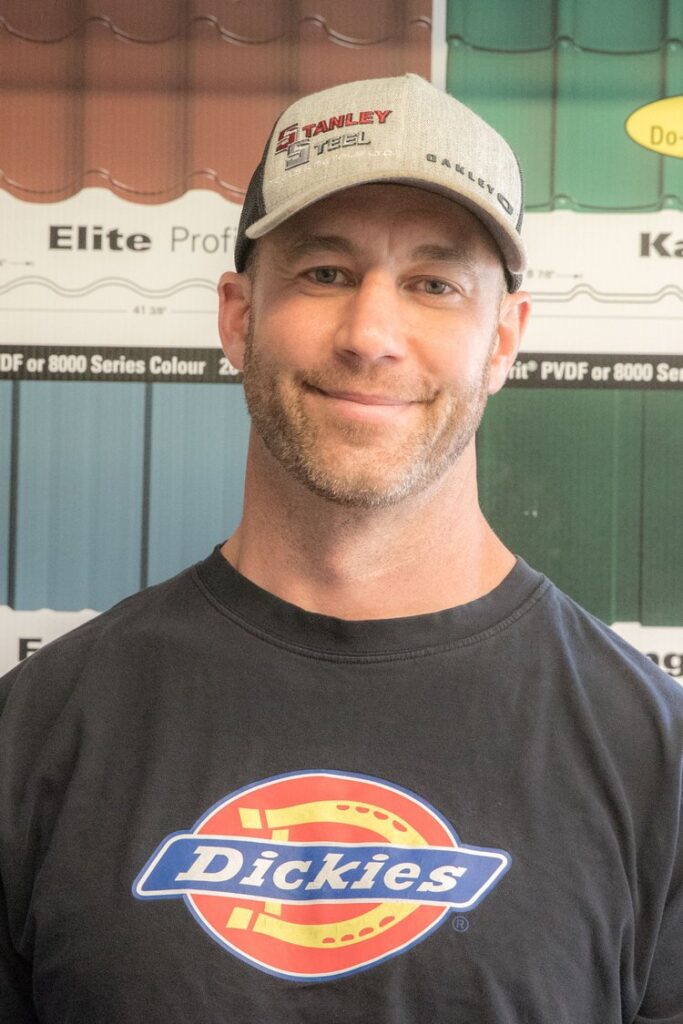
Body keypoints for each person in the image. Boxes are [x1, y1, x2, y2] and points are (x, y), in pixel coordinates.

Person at [0, 74, 681, 1024]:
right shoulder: (35, 730)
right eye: (324, 272)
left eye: (432, 284)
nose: (370, 335)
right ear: (238, 316)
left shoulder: (656, 759)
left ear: (503, 341)